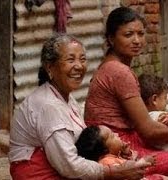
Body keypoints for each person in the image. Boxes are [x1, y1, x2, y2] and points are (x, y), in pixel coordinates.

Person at [9, 34, 151, 180]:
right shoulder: (49, 106)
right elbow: (69, 166)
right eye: (71, 60)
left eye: (82, 59)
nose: (79, 66)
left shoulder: (66, 98)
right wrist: (112, 172)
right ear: (50, 67)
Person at [84, 6, 168, 177]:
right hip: (120, 151)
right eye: (128, 35)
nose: (137, 40)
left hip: (119, 145)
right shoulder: (118, 71)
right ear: (111, 39)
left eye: (141, 34)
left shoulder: (110, 66)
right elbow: (149, 131)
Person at [138, 73, 168, 151]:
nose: (166, 102)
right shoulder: (155, 115)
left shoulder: (142, 117)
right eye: (165, 98)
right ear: (154, 99)